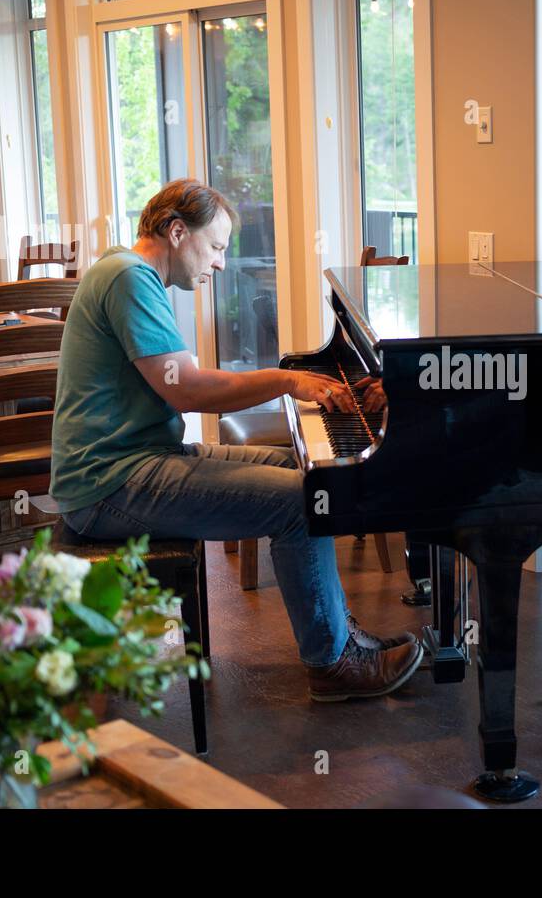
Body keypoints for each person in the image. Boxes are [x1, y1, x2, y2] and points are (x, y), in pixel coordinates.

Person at [50, 178, 422, 701]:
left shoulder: (128, 273)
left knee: (306, 473)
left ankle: (336, 629)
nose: (221, 263)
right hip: (109, 484)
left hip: (137, 461)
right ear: (178, 232)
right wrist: (288, 379)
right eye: (217, 246)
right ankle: (333, 663)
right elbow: (189, 390)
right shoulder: (129, 279)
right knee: (303, 501)